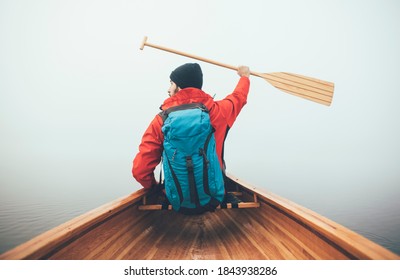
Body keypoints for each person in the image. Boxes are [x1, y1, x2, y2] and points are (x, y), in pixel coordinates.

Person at [132, 62, 250, 189]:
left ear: (180, 87)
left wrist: (155, 188)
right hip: (215, 196)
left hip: (176, 199)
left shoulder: (161, 120)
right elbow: (238, 97)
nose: (168, 89)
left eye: (172, 83)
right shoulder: (219, 112)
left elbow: (140, 171)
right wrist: (244, 77)